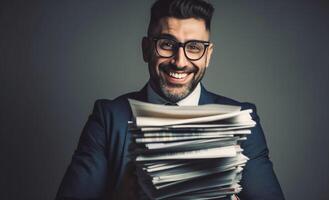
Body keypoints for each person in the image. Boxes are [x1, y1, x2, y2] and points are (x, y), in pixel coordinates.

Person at [56, 0, 285, 199]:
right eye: (167, 44)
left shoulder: (240, 120)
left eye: (194, 47)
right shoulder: (108, 118)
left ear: (208, 56)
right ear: (146, 49)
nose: (180, 61)